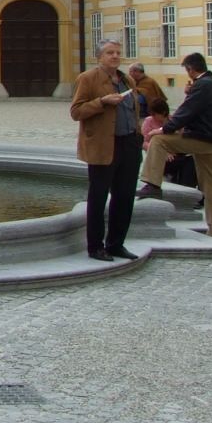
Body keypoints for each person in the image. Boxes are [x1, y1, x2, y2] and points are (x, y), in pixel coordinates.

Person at [137, 52, 212, 239]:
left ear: (191, 69)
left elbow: (186, 111)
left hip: (202, 139)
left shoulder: (203, 85)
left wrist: (166, 128)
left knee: (158, 140)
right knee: (210, 187)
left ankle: (152, 183)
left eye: (187, 70)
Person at [70, 39, 147, 261]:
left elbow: (134, 110)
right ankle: (95, 246)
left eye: (117, 52)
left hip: (129, 144)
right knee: (98, 197)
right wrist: (102, 102)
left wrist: (138, 135)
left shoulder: (127, 79)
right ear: (99, 57)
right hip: (104, 144)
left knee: (124, 197)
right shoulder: (88, 78)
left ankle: (116, 244)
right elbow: (76, 111)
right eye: (109, 53)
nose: (114, 56)